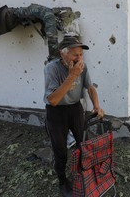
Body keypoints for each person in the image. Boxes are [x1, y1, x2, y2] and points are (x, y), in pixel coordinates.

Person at [43, 36, 104, 197]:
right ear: (63, 54)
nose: (79, 58)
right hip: (56, 112)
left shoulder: (82, 67)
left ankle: (83, 172)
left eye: (81, 54)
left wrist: (97, 106)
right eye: (75, 54)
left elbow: (90, 88)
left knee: (82, 143)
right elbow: (54, 100)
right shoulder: (52, 69)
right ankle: (63, 181)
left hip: (75, 109)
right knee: (60, 150)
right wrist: (72, 76)